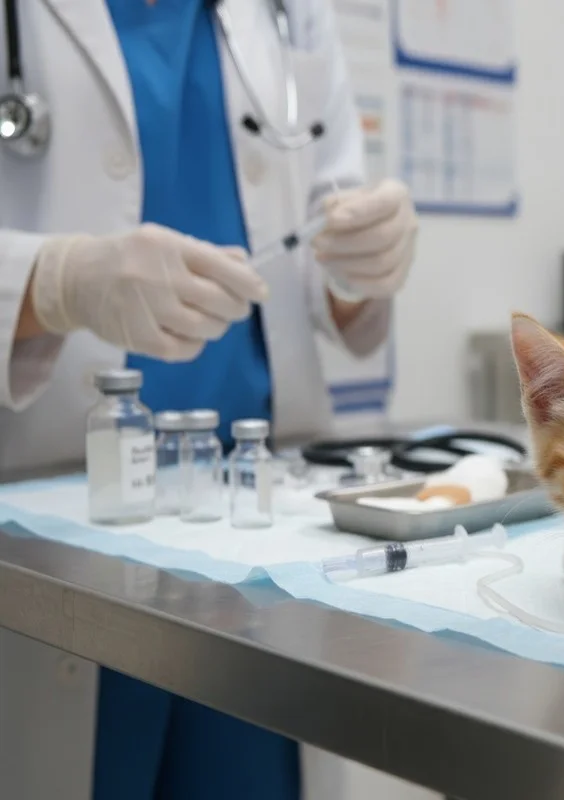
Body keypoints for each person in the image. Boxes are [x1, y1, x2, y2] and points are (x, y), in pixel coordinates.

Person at [0, 0, 418, 797]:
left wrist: (364, 265)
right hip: (49, 548)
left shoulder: (293, 13)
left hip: (259, 559)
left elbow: (332, 275)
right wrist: (52, 281)